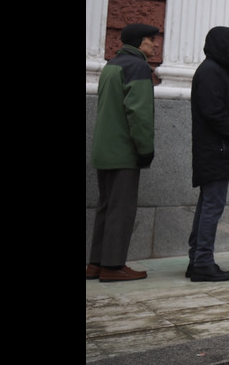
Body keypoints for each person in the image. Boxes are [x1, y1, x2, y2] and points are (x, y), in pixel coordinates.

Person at [88, 23, 159, 282]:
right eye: (152, 40)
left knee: (105, 208)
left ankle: (95, 264)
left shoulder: (112, 64)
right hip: (123, 151)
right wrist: (145, 149)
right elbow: (138, 113)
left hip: (104, 150)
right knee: (122, 209)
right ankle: (113, 266)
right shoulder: (138, 67)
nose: (155, 44)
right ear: (140, 42)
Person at [187, 26, 229, 282]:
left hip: (215, 150)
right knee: (213, 206)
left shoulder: (216, 70)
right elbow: (213, 112)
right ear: (220, 46)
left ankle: (197, 260)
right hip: (216, 150)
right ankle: (202, 261)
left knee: (208, 205)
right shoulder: (211, 72)